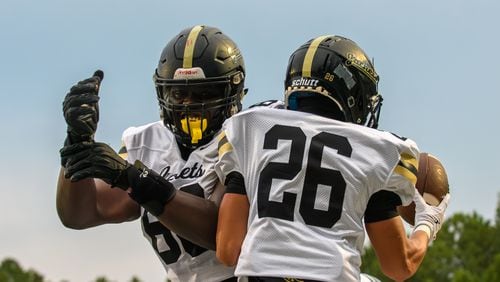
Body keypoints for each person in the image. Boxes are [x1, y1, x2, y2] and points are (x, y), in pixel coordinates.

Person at [214, 35, 451, 281]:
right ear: (353, 94)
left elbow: (228, 250)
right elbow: (399, 266)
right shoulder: (377, 151)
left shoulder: (250, 128)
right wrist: (427, 223)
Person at [57, 25, 249, 282]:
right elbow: (81, 214)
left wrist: (134, 178)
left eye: (204, 93)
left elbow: (219, 232)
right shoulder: (146, 141)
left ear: (232, 92)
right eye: (179, 94)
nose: (189, 105)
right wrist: (76, 144)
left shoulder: (243, 136)